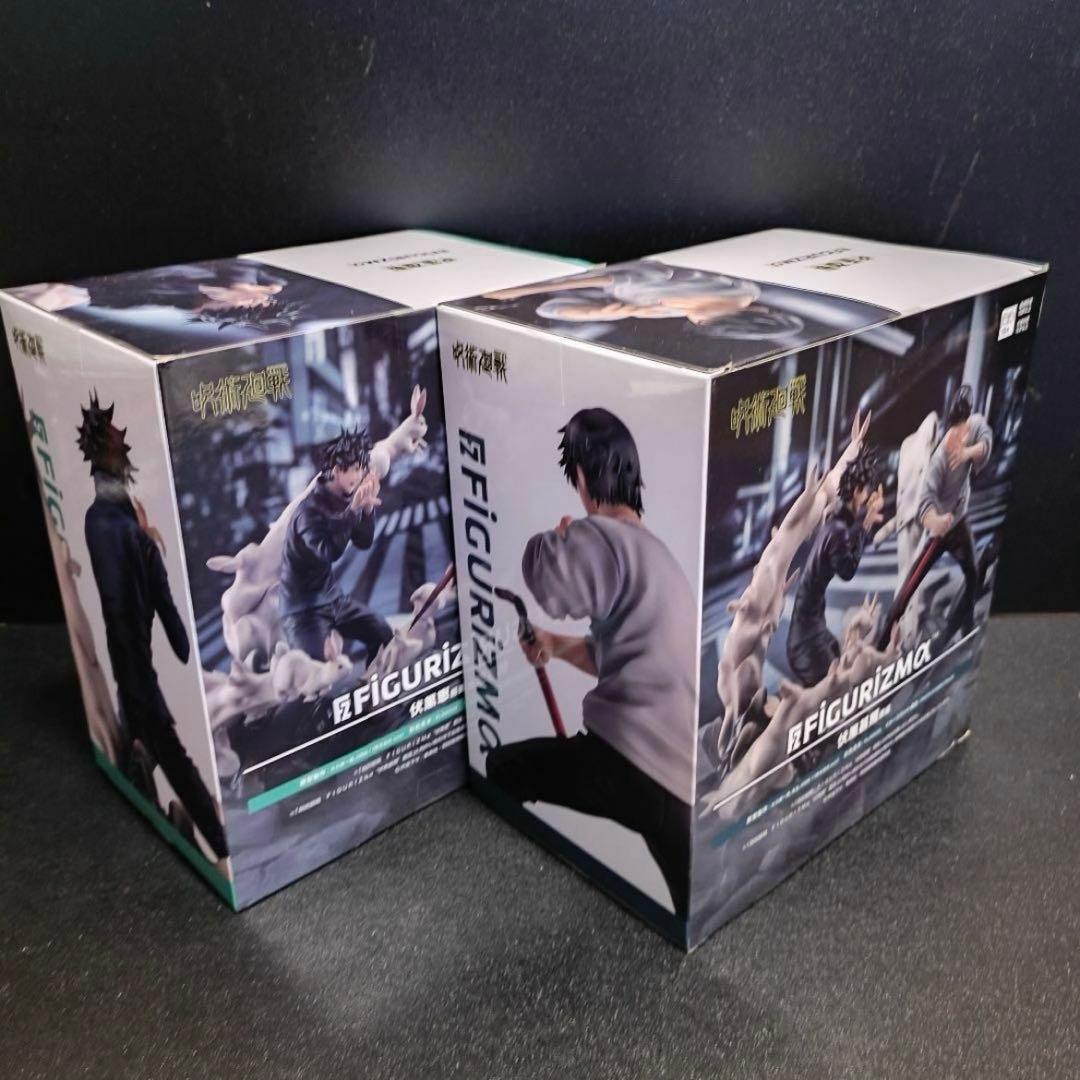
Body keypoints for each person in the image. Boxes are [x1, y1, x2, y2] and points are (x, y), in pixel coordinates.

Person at [484, 408, 697, 917]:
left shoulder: (604, 536)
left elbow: (548, 580)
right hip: (677, 781)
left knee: (501, 769)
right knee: (690, 900)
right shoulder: (660, 559)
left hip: (628, 761)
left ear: (582, 476)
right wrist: (555, 645)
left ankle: (509, 909)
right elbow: (616, 658)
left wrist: (562, 539)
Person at [78, 393, 229, 868]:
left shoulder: (115, 516)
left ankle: (155, 787)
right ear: (104, 451)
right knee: (173, 757)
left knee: (148, 751)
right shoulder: (109, 523)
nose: (125, 448)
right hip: (135, 673)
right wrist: (151, 560)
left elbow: (145, 605)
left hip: (132, 670)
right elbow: (122, 609)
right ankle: (221, 845)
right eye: (117, 443)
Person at [876, 385, 992, 651]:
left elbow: (986, 442)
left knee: (973, 576)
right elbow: (924, 504)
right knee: (908, 587)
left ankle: (965, 626)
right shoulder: (939, 460)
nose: (961, 438)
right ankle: (882, 643)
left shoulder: (975, 426)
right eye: (956, 433)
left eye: (964, 431)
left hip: (960, 525)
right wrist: (936, 522)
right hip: (939, 534)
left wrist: (968, 452)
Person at [279, 428, 392, 663]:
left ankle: (373, 682)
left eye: (362, 469)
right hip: (303, 612)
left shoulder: (344, 498)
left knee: (383, 634)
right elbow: (329, 552)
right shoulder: (307, 512)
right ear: (336, 469)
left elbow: (363, 542)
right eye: (354, 469)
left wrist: (366, 509)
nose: (359, 476)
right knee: (319, 672)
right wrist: (353, 511)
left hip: (333, 600)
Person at [787, 445, 885, 687]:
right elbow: (847, 570)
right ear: (857, 492)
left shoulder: (837, 520)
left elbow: (849, 535)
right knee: (839, 687)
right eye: (867, 492)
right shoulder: (837, 529)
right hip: (806, 642)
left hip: (814, 630)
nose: (868, 498)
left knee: (840, 658)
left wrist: (866, 521)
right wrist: (866, 525)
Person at [484, 262, 763, 326]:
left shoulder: (676, 310)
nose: (698, 320)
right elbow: (611, 277)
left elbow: (551, 309)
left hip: (561, 284)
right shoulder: (731, 288)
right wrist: (524, 289)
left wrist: (592, 313)